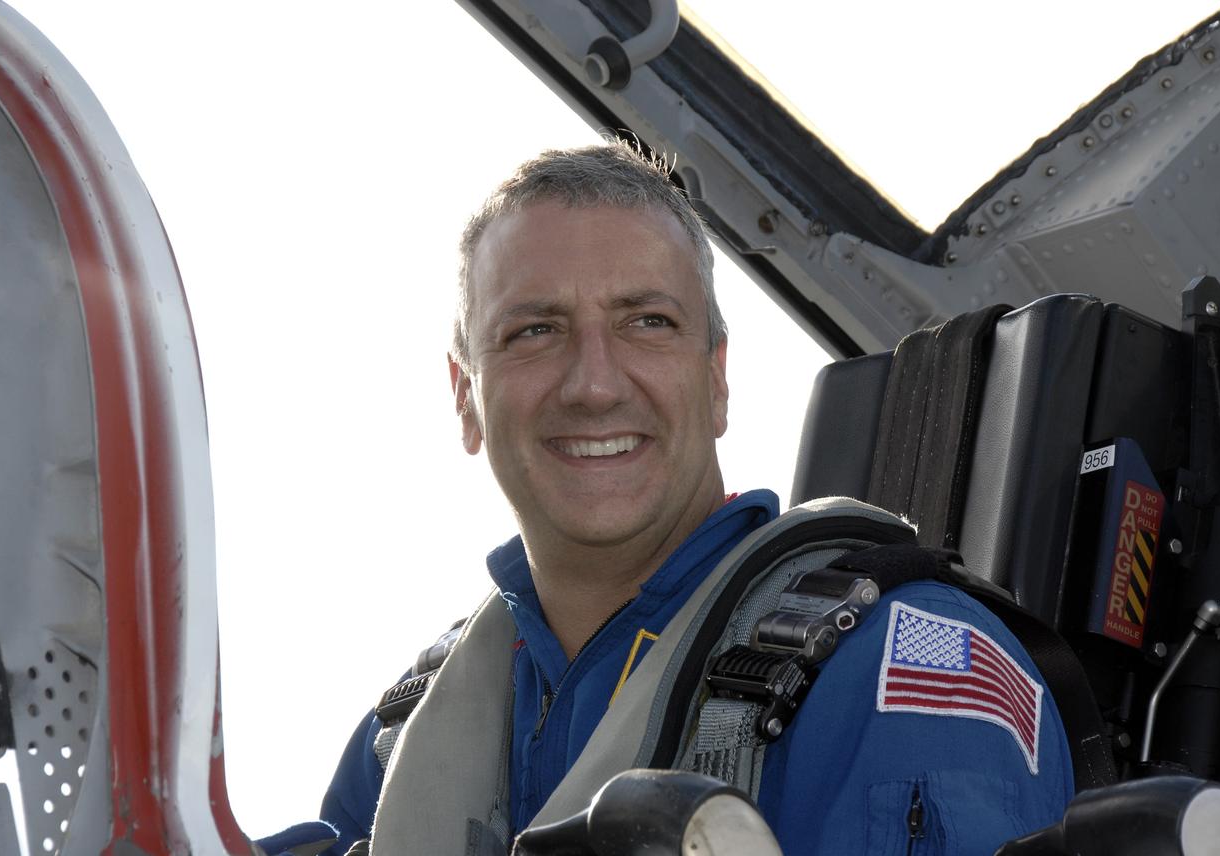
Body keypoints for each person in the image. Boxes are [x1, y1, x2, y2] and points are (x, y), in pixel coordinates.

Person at [297, 141, 1073, 855]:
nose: (594, 385)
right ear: (466, 396)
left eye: (648, 323)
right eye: (535, 332)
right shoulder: (401, 738)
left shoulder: (904, 665)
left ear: (715, 378)